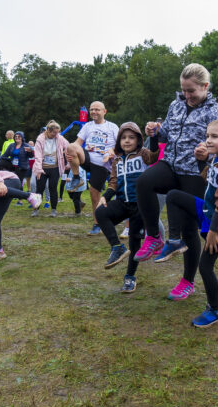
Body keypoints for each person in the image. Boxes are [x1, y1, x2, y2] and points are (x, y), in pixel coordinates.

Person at [161, 120, 218, 326]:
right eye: (207, 136)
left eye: (214, 137)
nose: (208, 140)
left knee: (205, 267)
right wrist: (200, 161)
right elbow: (207, 180)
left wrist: (213, 232)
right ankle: (175, 240)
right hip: (207, 210)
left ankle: (215, 311)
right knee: (174, 196)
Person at [134, 63, 218, 261]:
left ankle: (187, 281)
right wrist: (156, 130)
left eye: (191, 90)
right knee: (144, 182)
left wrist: (207, 152)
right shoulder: (175, 105)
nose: (187, 95)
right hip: (170, 164)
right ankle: (153, 236)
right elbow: (167, 133)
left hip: (194, 173)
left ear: (205, 86)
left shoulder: (216, 113)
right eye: (183, 90)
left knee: (188, 230)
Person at [95, 122, 158, 292]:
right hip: (122, 202)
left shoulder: (143, 154)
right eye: (123, 138)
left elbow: (154, 156)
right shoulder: (117, 160)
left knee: (135, 241)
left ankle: (130, 277)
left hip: (140, 205)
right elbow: (113, 182)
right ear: (118, 141)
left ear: (139, 140)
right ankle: (117, 247)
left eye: (131, 137)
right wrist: (105, 197)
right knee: (100, 213)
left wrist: (154, 136)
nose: (127, 141)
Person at [65, 101, 119, 235]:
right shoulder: (88, 126)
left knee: (94, 195)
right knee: (71, 147)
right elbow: (77, 143)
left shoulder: (112, 127)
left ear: (104, 111)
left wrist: (111, 151)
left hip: (102, 163)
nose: (94, 112)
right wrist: (70, 154)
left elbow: (119, 146)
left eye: (97, 109)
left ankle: (97, 223)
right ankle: (77, 178)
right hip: (87, 158)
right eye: (91, 109)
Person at [32, 121, 70, 217]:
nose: (56, 134)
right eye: (54, 132)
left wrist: (68, 160)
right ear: (48, 130)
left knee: (53, 188)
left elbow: (68, 146)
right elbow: (38, 155)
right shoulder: (40, 139)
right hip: (42, 168)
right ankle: (36, 209)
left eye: (57, 132)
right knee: (39, 189)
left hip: (55, 168)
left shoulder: (59, 138)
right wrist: (39, 169)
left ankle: (53, 210)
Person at [0, 131, 33, 197]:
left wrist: (30, 151)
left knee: (19, 182)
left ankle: (20, 199)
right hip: (13, 166)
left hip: (22, 167)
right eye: (16, 136)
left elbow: (31, 156)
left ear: (22, 138)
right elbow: (5, 155)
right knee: (13, 181)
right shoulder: (12, 145)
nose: (17, 138)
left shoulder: (26, 145)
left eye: (19, 136)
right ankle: (13, 194)